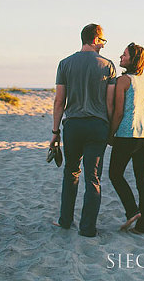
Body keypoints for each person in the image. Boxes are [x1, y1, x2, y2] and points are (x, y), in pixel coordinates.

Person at [51, 23, 117, 237]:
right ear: (96, 39)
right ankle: (87, 228)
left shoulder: (64, 63)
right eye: (103, 41)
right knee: (93, 177)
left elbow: (59, 101)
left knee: (71, 172)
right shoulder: (108, 66)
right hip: (97, 125)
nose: (104, 45)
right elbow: (110, 103)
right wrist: (109, 129)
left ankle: (65, 220)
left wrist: (55, 132)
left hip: (73, 125)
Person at [108, 42, 144, 234]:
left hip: (126, 135)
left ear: (133, 60)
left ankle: (131, 210)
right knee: (143, 182)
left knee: (114, 174)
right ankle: (143, 226)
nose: (121, 57)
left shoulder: (124, 81)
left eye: (124, 55)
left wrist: (110, 134)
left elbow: (118, 113)